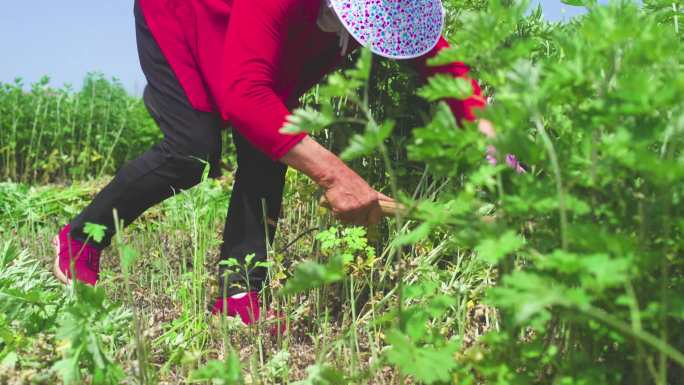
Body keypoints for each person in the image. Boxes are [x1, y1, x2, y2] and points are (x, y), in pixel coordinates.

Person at [52, 0, 487, 325]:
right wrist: (336, 174)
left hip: (265, 39)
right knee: (191, 151)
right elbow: (246, 98)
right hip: (186, 16)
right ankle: (83, 238)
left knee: (268, 154)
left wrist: (504, 154)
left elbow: (449, 74)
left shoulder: (395, 9)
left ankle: (238, 295)